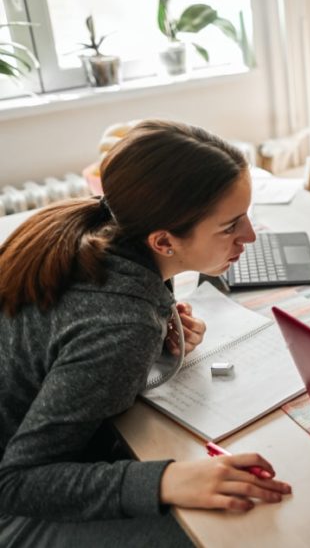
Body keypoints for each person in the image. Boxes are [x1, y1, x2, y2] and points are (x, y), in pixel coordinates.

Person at [0, 121, 292, 547]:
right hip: (14, 506)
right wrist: (166, 480)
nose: (249, 236)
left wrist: (158, 324)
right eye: (230, 226)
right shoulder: (121, 323)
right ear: (163, 241)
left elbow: (65, 334)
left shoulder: (100, 231)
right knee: (234, 535)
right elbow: (17, 482)